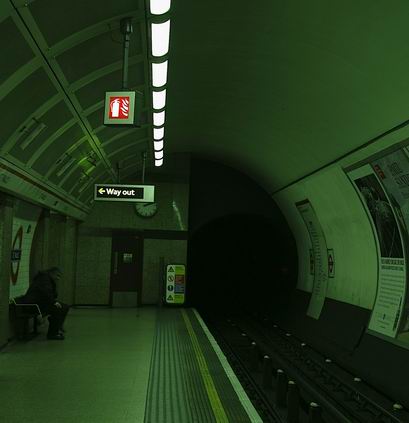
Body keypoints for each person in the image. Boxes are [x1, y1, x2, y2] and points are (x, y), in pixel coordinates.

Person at [22, 267, 69, 340]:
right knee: (58, 309)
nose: (58, 278)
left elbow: (51, 294)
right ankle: (52, 333)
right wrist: (54, 302)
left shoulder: (47, 279)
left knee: (65, 307)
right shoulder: (44, 279)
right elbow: (46, 293)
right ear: (52, 274)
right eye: (57, 276)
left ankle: (57, 325)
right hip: (33, 305)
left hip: (39, 303)